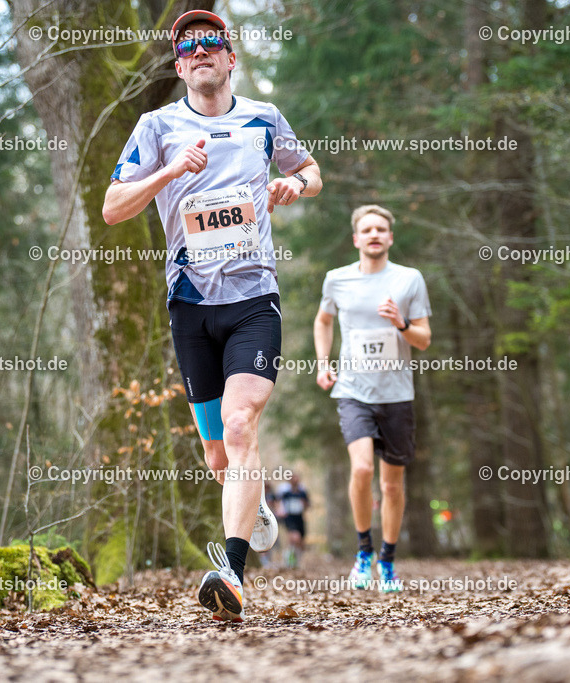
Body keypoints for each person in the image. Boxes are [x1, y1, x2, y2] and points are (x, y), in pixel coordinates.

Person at [102, 9, 321, 622]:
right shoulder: (156, 126)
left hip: (254, 299)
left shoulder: (263, 119)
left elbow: (311, 171)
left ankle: (232, 573)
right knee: (219, 456)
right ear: (178, 66)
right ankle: (248, 508)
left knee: (242, 422)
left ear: (230, 58)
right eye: (188, 45)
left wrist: (294, 188)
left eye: (212, 43)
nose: (200, 51)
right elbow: (113, 208)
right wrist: (170, 171)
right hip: (190, 305)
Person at [313, 205, 431, 591]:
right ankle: (363, 552)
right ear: (356, 239)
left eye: (382, 229)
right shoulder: (337, 280)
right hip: (353, 392)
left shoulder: (409, 280)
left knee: (392, 486)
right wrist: (323, 363)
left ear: (390, 238)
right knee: (362, 470)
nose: (375, 234)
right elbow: (323, 320)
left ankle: (388, 561)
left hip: (397, 395)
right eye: (368, 230)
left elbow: (424, 340)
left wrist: (400, 322)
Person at [278, 474, 309, 568]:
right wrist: (281, 512)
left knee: (300, 542)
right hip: (289, 518)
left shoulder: (302, 493)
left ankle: (296, 561)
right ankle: (288, 560)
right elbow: (279, 503)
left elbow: (307, 505)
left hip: (299, 517)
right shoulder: (286, 493)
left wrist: (304, 504)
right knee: (295, 537)